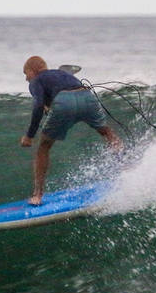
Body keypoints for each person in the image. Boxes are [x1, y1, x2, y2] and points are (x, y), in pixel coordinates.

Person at [20, 55, 122, 205]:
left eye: (26, 74)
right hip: (87, 96)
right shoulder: (62, 74)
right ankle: (126, 168)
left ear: (33, 70)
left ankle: (37, 195)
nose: (26, 79)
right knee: (107, 133)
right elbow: (58, 88)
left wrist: (29, 135)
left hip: (64, 102)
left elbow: (38, 105)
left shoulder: (36, 80)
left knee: (44, 147)